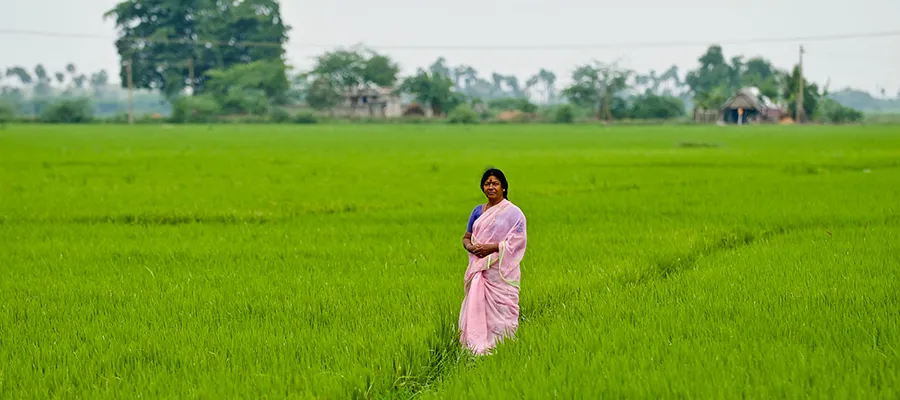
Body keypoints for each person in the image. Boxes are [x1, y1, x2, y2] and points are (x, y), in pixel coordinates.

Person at [458, 168, 528, 355]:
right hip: (480, 269)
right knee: (478, 305)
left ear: (503, 187)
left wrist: (493, 247)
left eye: (495, 183)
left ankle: (504, 347)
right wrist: (471, 247)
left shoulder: (513, 213)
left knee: (503, 310)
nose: (491, 187)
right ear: (483, 187)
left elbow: (518, 240)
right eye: (487, 183)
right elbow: (466, 237)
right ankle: (476, 346)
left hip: (500, 273)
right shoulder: (477, 211)